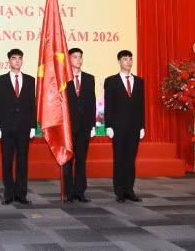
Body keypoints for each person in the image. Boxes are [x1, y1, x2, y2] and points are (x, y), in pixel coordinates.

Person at [0, 49, 36, 205]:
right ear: (9, 61)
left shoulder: (30, 80)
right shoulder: (0, 80)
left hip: (24, 128)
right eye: (14, 58)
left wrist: (33, 126)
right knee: (7, 162)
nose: (17, 61)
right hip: (7, 128)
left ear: (22, 61)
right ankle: (8, 194)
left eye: (20, 58)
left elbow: (32, 104)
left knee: (22, 162)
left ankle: (21, 194)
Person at [104, 50, 145, 203]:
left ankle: (129, 190)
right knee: (119, 158)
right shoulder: (111, 81)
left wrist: (142, 126)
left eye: (130, 59)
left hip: (134, 127)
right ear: (119, 62)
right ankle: (119, 191)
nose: (128, 62)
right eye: (125, 59)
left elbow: (141, 105)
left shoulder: (139, 81)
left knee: (130, 159)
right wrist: (108, 125)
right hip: (118, 127)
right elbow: (108, 104)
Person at [62, 48, 96, 203]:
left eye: (80, 57)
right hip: (68, 127)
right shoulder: (63, 79)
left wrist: (92, 125)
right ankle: (68, 192)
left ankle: (80, 192)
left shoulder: (89, 78)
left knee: (81, 160)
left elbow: (92, 102)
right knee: (68, 161)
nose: (78, 59)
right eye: (75, 57)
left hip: (84, 127)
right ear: (69, 59)